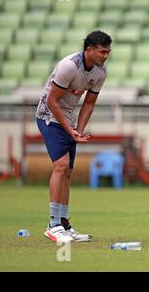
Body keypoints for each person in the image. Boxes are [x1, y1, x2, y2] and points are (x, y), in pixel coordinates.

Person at [36, 30, 112, 243]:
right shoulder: (69, 66)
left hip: (67, 120)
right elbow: (52, 101)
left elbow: (89, 103)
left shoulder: (100, 72)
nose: (106, 56)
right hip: (49, 116)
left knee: (68, 171)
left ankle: (64, 224)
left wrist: (78, 129)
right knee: (60, 166)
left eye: (108, 52)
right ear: (89, 50)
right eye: (102, 51)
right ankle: (53, 225)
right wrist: (70, 130)